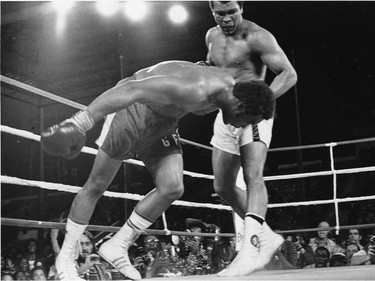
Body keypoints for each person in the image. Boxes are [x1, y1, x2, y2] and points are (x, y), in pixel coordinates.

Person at [41, 60, 276, 281]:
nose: (241, 126)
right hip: (132, 112)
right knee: (96, 186)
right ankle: (66, 258)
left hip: (163, 125)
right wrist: (81, 121)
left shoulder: (229, 92)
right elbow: (132, 88)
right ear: (240, 105)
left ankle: (117, 245)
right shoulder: (196, 88)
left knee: (172, 187)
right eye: (246, 119)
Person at [203, 1, 298, 276]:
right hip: (225, 114)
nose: (227, 18)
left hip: (253, 114)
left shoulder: (257, 36)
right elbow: (214, 67)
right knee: (222, 187)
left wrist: (261, 102)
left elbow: (289, 74)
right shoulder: (211, 36)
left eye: (232, 11)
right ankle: (266, 237)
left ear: (241, 7)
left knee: (252, 176)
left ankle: (251, 248)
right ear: (211, 12)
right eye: (220, 13)